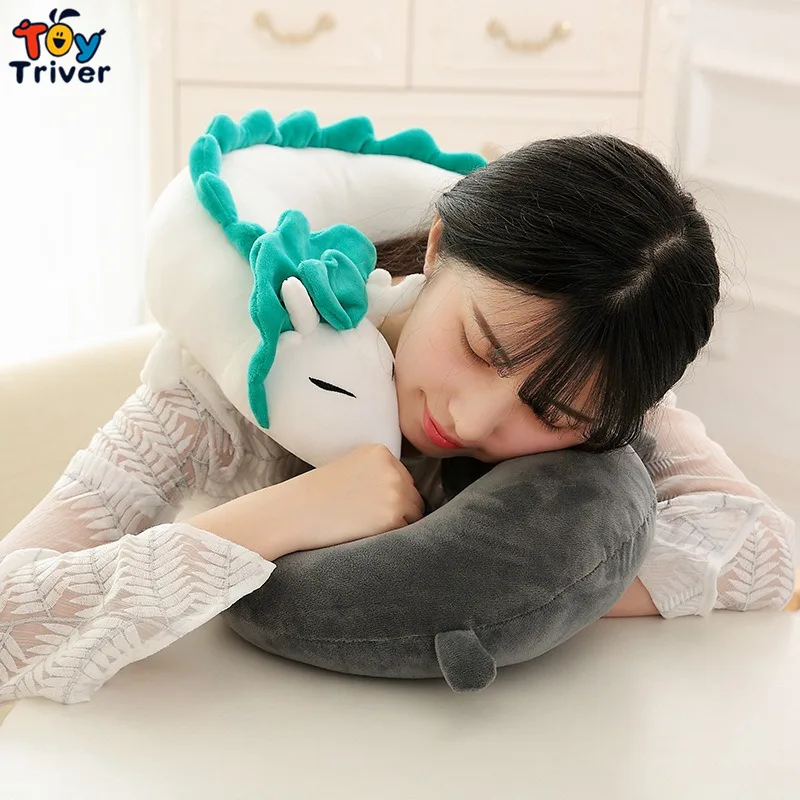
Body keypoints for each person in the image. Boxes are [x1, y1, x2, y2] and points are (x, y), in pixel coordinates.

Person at [0, 135, 794, 708]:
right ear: (439, 249)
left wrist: (517, 583)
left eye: (548, 413)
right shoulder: (246, 371)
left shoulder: (597, 381)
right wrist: (281, 518)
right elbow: (8, 616)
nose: (471, 418)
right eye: (479, 348)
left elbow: (771, 554)